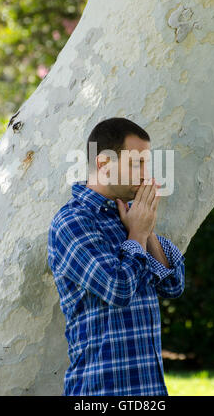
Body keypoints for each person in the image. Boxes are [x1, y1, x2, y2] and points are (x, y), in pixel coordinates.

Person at [48, 117, 186, 396]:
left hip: (150, 390)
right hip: (100, 391)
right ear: (103, 164)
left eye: (147, 164)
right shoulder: (73, 222)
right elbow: (118, 288)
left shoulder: (130, 217)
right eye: (136, 164)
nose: (146, 176)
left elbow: (173, 285)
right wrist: (136, 232)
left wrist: (146, 230)